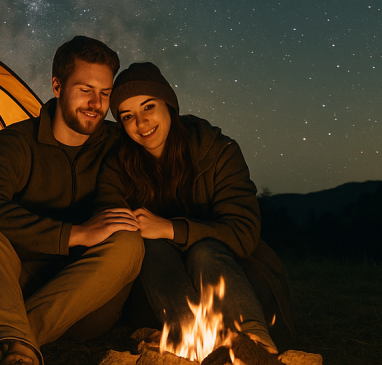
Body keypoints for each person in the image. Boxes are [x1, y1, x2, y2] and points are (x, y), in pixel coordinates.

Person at [0, 37, 145, 365]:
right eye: (85, 89)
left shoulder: (118, 142)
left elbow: (171, 148)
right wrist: (74, 234)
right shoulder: (16, 143)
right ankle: (16, 353)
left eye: (105, 93)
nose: (96, 104)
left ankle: (4, 343)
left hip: (89, 301)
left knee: (129, 243)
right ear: (57, 86)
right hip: (20, 287)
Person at [96, 62, 295, 356]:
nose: (141, 123)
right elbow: (111, 220)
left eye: (148, 107)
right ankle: (193, 342)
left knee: (204, 251)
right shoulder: (119, 164)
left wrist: (171, 228)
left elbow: (244, 232)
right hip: (163, 288)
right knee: (151, 247)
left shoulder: (217, 150)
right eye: (128, 116)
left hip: (234, 278)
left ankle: (254, 347)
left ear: (169, 105)